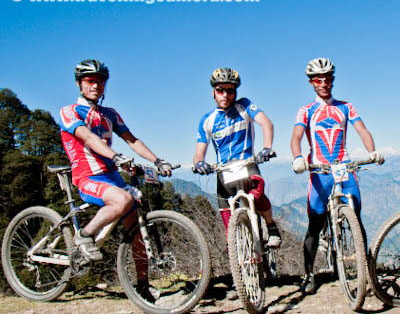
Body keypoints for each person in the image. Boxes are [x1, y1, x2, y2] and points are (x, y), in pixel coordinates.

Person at [60, 59, 173, 300]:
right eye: (90, 81)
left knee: (136, 225)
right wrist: (116, 156)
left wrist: (157, 160)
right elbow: (89, 138)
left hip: (111, 177)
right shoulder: (69, 111)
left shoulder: (110, 114)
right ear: (80, 84)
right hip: (87, 176)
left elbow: (132, 140)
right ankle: (85, 235)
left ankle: (143, 285)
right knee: (123, 200)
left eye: (100, 81)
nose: (96, 86)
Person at [290, 57, 384, 294]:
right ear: (311, 83)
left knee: (357, 218)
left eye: (328, 78)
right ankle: (308, 274)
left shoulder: (346, 106)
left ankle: (367, 271)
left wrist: (372, 151)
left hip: (345, 167)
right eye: (318, 80)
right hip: (320, 171)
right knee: (314, 223)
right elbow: (296, 137)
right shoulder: (306, 110)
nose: (324, 83)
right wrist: (297, 157)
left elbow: (362, 130)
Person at [193, 67, 281, 249]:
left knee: (257, 196)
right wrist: (199, 163)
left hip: (247, 164)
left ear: (235, 92)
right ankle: (236, 254)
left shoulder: (244, 106)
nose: (225, 95)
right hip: (223, 171)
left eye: (230, 90)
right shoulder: (207, 120)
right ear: (213, 92)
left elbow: (266, 123)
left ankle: (271, 226)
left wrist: (267, 148)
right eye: (220, 90)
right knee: (226, 216)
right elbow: (199, 151)